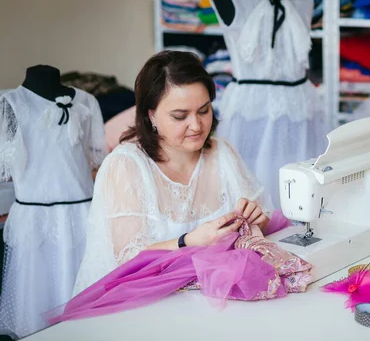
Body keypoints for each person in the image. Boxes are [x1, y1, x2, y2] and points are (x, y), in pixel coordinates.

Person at [73, 51, 273, 295]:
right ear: (151, 115)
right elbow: (126, 259)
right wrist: (187, 241)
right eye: (180, 116)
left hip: (214, 296)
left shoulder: (222, 153)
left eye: (204, 110)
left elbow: (263, 218)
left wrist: (257, 219)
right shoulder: (125, 166)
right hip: (144, 298)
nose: (197, 126)